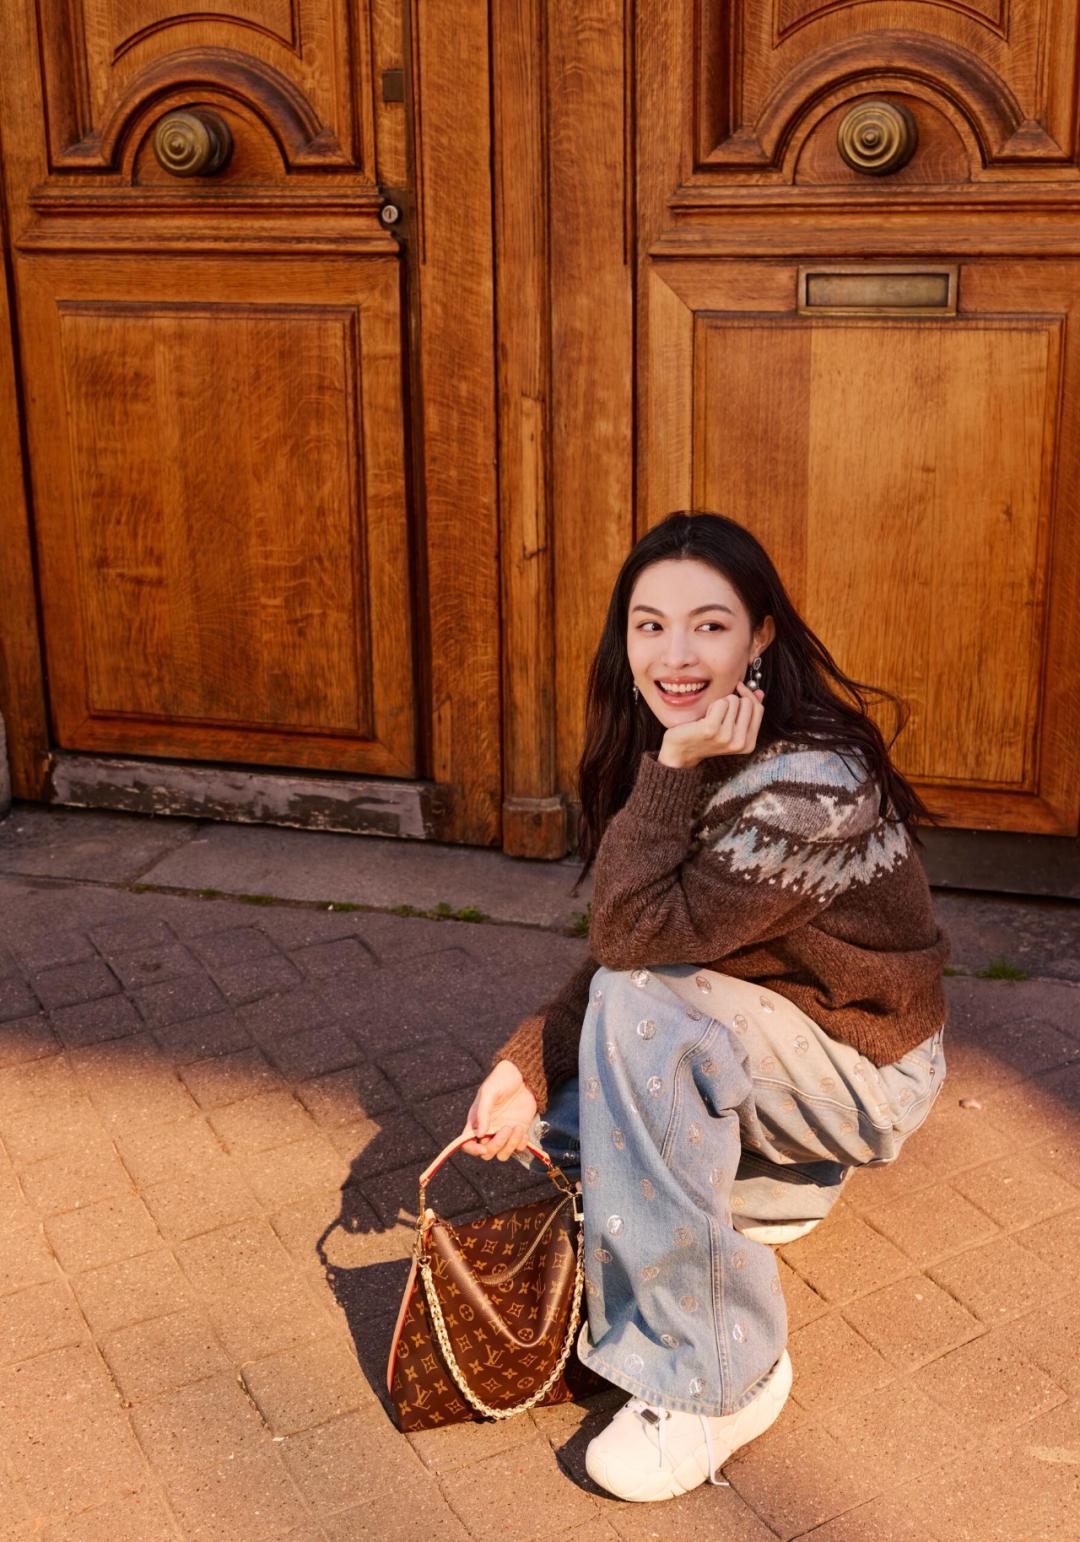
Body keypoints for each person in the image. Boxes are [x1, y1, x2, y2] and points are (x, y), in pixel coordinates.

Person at [460, 510, 950, 1503]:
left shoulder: (807, 782)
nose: (674, 655)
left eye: (709, 625)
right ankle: (775, 1186)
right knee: (571, 1116)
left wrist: (669, 773)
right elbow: (636, 946)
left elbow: (635, 946)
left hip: (861, 1068)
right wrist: (528, 1064)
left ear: (760, 634)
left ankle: (723, 1372)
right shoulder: (688, 738)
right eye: (650, 625)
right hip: (759, 1030)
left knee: (631, 1042)